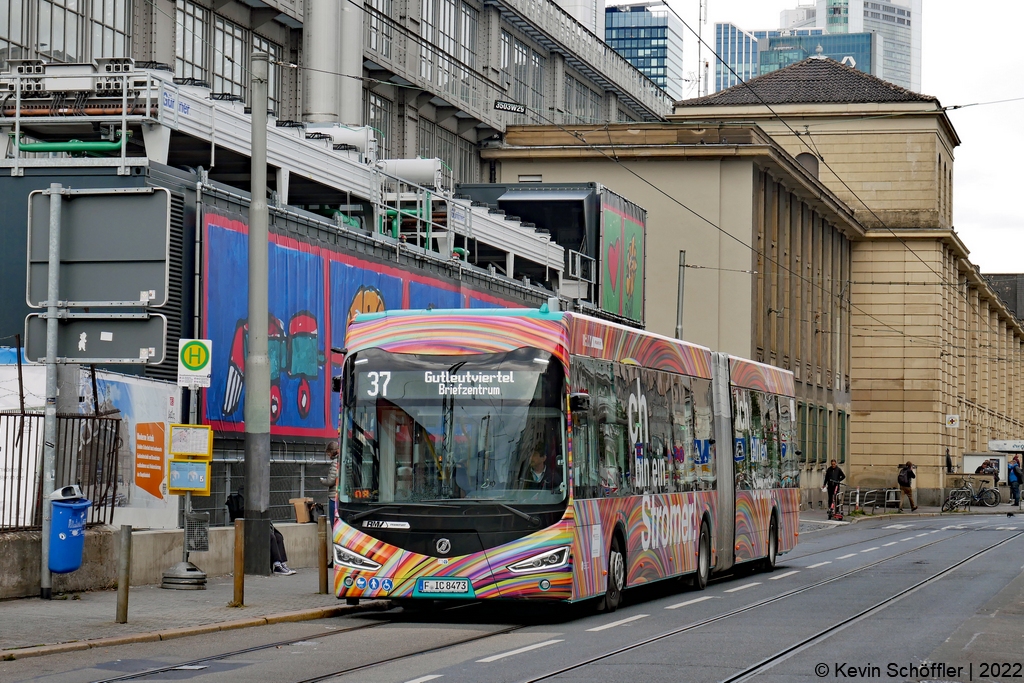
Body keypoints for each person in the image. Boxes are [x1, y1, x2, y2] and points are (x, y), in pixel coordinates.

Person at [320, 441, 340, 524]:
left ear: (332, 452)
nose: (328, 455)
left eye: (328, 453)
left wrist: (322, 480)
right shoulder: (342, 460)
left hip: (334, 496)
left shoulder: (335, 462)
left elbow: (331, 481)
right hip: (340, 496)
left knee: (333, 522)